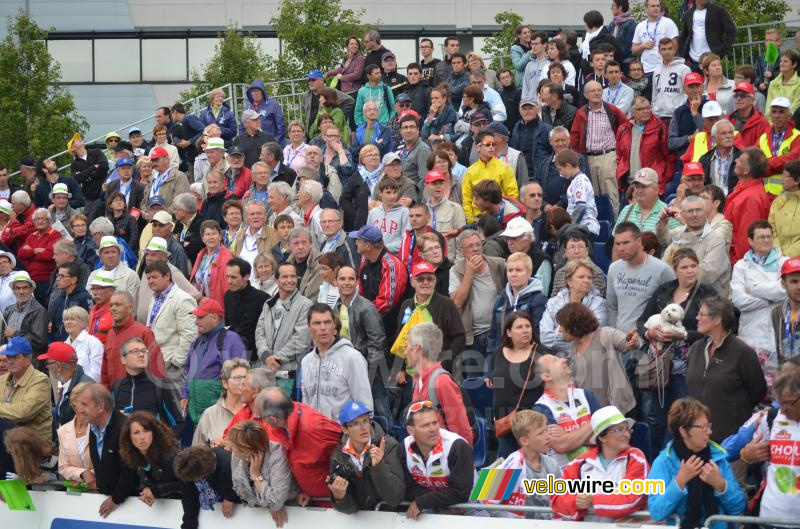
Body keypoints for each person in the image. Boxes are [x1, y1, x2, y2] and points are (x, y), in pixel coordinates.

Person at [636, 248, 718, 453]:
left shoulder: (707, 293)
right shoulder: (664, 290)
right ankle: (658, 464)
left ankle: (683, 459)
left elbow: (717, 327)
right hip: (661, 364)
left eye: (693, 266)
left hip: (691, 364)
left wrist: (684, 336)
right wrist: (650, 333)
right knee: (657, 418)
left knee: (686, 415)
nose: (690, 271)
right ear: (675, 270)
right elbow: (641, 321)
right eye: (684, 267)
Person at [647, 398, 746, 529]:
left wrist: (721, 485)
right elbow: (656, 512)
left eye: (709, 426)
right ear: (683, 431)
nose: (709, 431)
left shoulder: (718, 458)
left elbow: (738, 508)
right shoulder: (663, 462)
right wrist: (679, 482)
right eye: (703, 427)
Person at [687, 297, 767, 444]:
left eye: (702, 314)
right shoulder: (695, 349)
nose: (697, 318)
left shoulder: (743, 353)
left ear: (717, 319)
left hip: (732, 441)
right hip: (698, 441)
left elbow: (759, 391)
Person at [553, 406, 648, 521]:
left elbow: (632, 499)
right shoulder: (579, 464)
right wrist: (577, 501)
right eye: (619, 429)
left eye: (627, 429)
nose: (627, 434)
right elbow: (558, 498)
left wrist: (593, 501)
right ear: (602, 438)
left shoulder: (636, 458)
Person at [259, 387, 342, 499]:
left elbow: (348, 450)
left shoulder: (313, 427)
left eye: (261, 417)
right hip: (313, 498)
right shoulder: (282, 427)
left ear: (272, 419)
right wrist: (303, 490)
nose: (260, 420)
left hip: (335, 502)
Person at [556, 302, 636, 414]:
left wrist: (633, 341)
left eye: (562, 325)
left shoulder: (605, 334)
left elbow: (627, 343)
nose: (560, 330)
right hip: (589, 410)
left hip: (615, 410)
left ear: (572, 325)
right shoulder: (574, 345)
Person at [730, 221, 787, 377]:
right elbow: (739, 300)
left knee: (780, 385)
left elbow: (786, 291)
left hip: (779, 331)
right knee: (753, 381)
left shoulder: (784, 263)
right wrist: (770, 299)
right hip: (751, 332)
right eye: (761, 237)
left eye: (769, 236)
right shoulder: (741, 266)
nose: (766, 240)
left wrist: (754, 290)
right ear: (750, 241)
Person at [327, 400, 405, 513]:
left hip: (388, 518)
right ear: (345, 430)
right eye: (355, 424)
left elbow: (395, 498)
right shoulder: (337, 457)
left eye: (365, 421)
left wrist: (379, 467)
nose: (363, 427)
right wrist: (339, 497)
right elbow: (351, 510)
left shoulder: (388, 445)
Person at [401, 400, 474, 519]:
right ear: (411, 430)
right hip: (433, 508)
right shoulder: (404, 448)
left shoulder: (457, 446)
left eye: (435, 423)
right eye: (425, 425)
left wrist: (423, 501)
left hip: (469, 509)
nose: (433, 429)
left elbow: (460, 493)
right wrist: (433, 502)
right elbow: (407, 488)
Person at [300, 303, 373, 419]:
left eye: (327, 322)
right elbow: (306, 403)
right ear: (309, 327)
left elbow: (364, 404)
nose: (323, 327)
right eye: (317, 323)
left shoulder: (352, 358)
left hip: (342, 432)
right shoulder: (306, 362)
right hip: (314, 432)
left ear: (334, 325)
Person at [76, 383, 138, 517]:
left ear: (100, 407)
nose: (80, 410)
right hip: (110, 503)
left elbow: (130, 470)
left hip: (131, 505)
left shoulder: (124, 428)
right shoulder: (93, 427)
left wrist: (116, 499)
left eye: (85, 405)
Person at [532, 354, 602, 469]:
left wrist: (568, 436)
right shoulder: (541, 408)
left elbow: (605, 436)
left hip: (598, 469)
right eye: (555, 361)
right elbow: (561, 446)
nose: (564, 360)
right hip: (565, 477)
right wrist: (593, 424)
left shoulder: (585, 395)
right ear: (546, 376)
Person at [570, 81, 628, 214]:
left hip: (608, 156)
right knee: (592, 195)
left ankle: (614, 229)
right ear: (586, 95)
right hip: (588, 159)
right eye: (592, 91)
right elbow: (575, 136)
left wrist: (621, 149)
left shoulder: (612, 110)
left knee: (611, 195)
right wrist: (579, 156)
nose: (596, 93)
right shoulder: (581, 113)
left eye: (599, 90)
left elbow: (625, 127)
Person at [607, 222, 675, 333]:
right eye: (617, 244)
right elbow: (612, 307)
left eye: (625, 243)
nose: (621, 248)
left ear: (639, 241)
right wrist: (614, 334)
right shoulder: (614, 268)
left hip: (649, 339)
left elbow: (672, 308)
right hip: (620, 340)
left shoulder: (662, 270)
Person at [450, 229, 506, 362]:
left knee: (498, 379)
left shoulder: (499, 264)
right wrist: (469, 272)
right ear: (461, 251)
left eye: (478, 244)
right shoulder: (456, 270)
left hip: (498, 333)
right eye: (470, 246)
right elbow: (457, 302)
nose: (475, 249)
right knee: (475, 381)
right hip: (473, 337)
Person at [255, 262, 313, 391]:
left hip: (289, 375)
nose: (290, 280)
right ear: (276, 279)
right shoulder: (268, 304)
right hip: (266, 372)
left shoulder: (306, 305)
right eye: (285, 276)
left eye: (293, 276)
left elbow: (302, 339)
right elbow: (259, 332)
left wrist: (277, 359)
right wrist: (265, 355)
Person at [227, 420, 296, 525]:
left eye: (233, 446)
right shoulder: (237, 455)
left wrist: (256, 475)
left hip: (292, 509)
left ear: (248, 450)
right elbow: (240, 490)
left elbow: (276, 502)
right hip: (260, 511)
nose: (229, 448)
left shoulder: (277, 456)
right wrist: (266, 505)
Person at [662, 196, 732, 297]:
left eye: (698, 210)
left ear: (705, 212)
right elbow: (665, 266)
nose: (695, 215)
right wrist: (662, 224)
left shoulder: (716, 240)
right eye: (690, 211)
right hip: (679, 298)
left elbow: (707, 274)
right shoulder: (679, 237)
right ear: (682, 214)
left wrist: (677, 274)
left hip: (710, 303)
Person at [541, 259, 608, 356]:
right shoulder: (553, 302)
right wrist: (576, 338)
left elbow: (591, 337)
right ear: (569, 281)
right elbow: (545, 338)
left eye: (589, 278)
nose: (587, 281)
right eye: (581, 277)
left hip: (587, 360)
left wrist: (559, 330)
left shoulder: (600, 304)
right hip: (558, 360)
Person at [487, 252, 547, 357]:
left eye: (518, 270)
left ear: (529, 273)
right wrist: (490, 360)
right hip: (501, 358)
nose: (513, 274)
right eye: (510, 270)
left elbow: (538, 334)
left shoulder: (538, 300)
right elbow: (493, 334)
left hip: (527, 358)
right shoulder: (501, 300)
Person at [101, 291, 165, 388]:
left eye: (118, 305)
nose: (113, 308)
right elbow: (105, 369)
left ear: (130, 308)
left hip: (139, 393)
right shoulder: (110, 334)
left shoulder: (144, 332)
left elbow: (156, 368)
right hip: (114, 396)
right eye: (111, 305)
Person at [118, 411, 181, 506]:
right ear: (129, 437)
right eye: (136, 432)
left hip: (179, 505)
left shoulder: (171, 454)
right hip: (156, 509)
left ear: (154, 432)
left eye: (146, 431)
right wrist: (146, 488)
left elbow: (185, 483)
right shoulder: (131, 455)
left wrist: (155, 491)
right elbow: (144, 480)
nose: (142, 437)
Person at [723, 148, 771, 264]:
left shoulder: (751, 198)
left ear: (746, 170)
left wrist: (737, 265)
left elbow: (745, 239)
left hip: (739, 263)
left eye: (740, 160)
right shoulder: (745, 190)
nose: (736, 161)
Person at [617, 97, 675, 193]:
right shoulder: (623, 129)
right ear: (632, 111)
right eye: (640, 109)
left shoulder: (659, 128)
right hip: (629, 184)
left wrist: (664, 180)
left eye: (647, 108)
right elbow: (619, 155)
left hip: (651, 183)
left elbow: (669, 156)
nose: (645, 111)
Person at [174, 445, 241, 529]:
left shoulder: (228, 462)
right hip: (217, 515)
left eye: (196, 478)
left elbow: (247, 486)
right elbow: (189, 498)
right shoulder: (186, 470)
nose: (194, 481)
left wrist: (231, 497)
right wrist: (188, 525)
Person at [351, 225, 408, 323]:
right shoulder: (365, 261)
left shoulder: (391, 265)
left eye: (358, 241)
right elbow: (360, 292)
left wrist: (363, 316)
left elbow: (386, 303)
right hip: (370, 320)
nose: (355, 243)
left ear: (368, 246)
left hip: (390, 327)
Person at [0, 336, 51, 444]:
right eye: (8, 357)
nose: (10, 361)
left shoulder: (40, 380)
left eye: (15, 357)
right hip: (8, 441)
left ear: (28, 359)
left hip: (32, 446)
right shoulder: (3, 379)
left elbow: (23, 412)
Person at [463, 131, 519, 223]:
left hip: (500, 217)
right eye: (488, 144)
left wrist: (503, 216)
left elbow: (512, 195)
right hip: (478, 219)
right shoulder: (470, 171)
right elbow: (467, 200)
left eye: (494, 144)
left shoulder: (504, 168)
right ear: (478, 147)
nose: (491, 147)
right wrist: (471, 221)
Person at [223, 258, 269, 361]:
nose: (229, 281)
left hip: (254, 355)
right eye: (228, 277)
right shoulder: (228, 296)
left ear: (246, 276)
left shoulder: (262, 298)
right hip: (232, 352)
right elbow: (228, 325)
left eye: (234, 277)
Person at [40, 341, 93, 426]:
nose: (47, 367)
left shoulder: (84, 389)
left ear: (58, 366)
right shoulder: (69, 383)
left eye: (47, 363)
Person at [18, 207, 62, 304]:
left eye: (43, 218)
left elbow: (49, 255)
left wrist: (30, 253)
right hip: (30, 280)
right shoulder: (31, 236)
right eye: (37, 219)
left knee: (47, 309)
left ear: (49, 220)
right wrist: (36, 251)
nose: (40, 221)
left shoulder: (55, 235)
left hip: (47, 280)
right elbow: (21, 253)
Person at [57, 382, 95, 489]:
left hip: (98, 489)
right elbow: (63, 467)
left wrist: (92, 475)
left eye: (91, 403)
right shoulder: (63, 431)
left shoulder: (100, 428)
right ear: (74, 402)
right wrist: (82, 473)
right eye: (83, 403)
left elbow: (107, 463)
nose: (87, 407)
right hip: (75, 491)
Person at [1, 271, 48, 356]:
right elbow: (3, 337)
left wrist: (15, 334)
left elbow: (40, 341)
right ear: (13, 290)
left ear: (31, 289)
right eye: (18, 288)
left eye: (25, 288)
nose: (21, 292)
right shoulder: (9, 310)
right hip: (10, 359)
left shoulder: (39, 311)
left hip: (29, 360)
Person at [86, 235, 141, 308]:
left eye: (113, 252)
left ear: (119, 254)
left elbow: (132, 306)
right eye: (106, 253)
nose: (110, 255)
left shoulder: (131, 276)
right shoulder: (93, 275)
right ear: (100, 256)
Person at [556, 149, 600, 237]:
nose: (560, 173)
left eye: (560, 169)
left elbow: (581, 207)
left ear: (568, 166)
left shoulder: (580, 181)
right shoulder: (575, 181)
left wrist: (569, 226)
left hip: (585, 227)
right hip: (578, 227)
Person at [631, 0, 680, 76]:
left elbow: (675, 46)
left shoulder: (668, 23)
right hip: (647, 69)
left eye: (658, 6)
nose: (656, 8)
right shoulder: (640, 26)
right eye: (653, 6)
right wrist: (642, 46)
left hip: (665, 68)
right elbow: (633, 50)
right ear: (646, 9)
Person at [62, 306, 103, 385]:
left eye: (72, 319)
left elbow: (96, 374)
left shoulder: (93, 342)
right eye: (66, 319)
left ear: (84, 323)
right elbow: (60, 371)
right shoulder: (64, 344)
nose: (68, 322)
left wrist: (76, 388)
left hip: (87, 391)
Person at [143, 146, 190, 211]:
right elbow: (144, 202)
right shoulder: (151, 178)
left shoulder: (179, 177)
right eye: (152, 161)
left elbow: (181, 203)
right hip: (151, 219)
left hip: (169, 220)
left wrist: (160, 216)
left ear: (166, 159)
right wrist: (147, 215)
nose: (153, 164)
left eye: (156, 160)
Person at [767, 50, 800, 117]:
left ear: (794, 65)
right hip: (772, 124)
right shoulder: (773, 83)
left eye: (785, 61)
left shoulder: (798, 83)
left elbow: (795, 108)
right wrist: (771, 124)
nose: (781, 64)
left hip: (792, 123)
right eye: (781, 61)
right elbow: (768, 108)